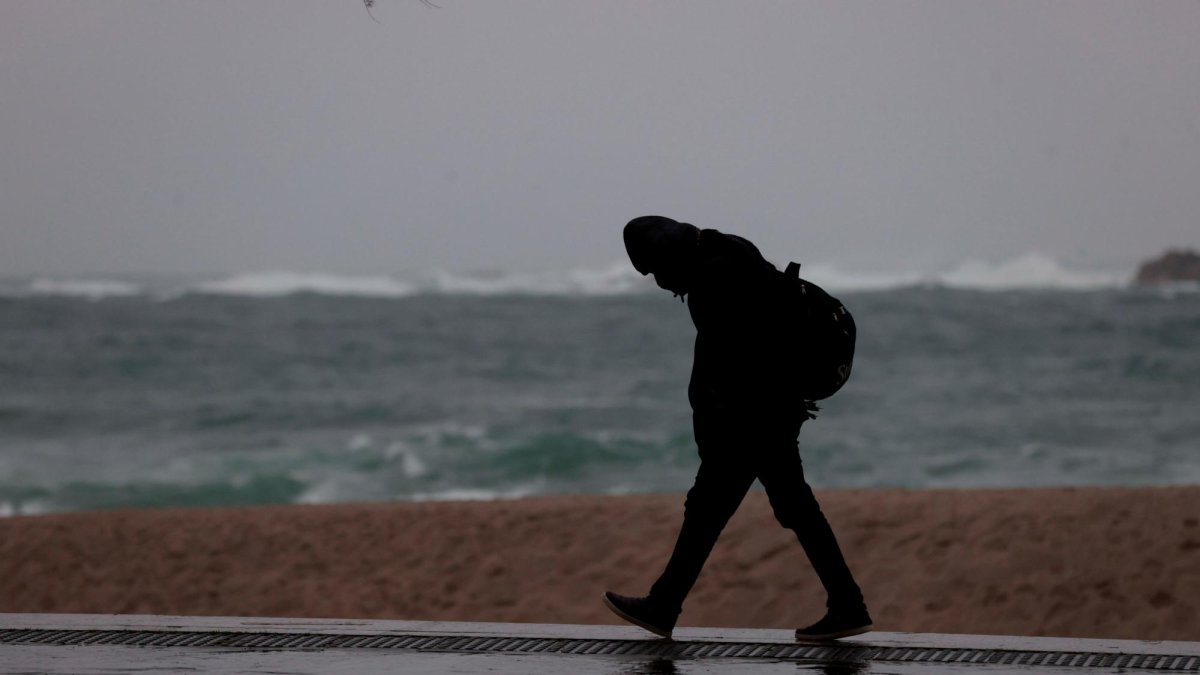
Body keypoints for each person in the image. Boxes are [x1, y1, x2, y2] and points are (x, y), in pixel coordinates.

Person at [603, 215, 872, 642]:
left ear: (667, 257)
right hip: (771, 405)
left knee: (747, 507)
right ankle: (666, 603)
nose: (659, 283)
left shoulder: (712, 285)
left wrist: (717, 434)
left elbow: (725, 374)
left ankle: (847, 605)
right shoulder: (727, 248)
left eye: (654, 270)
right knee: (742, 508)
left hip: (759, 414)